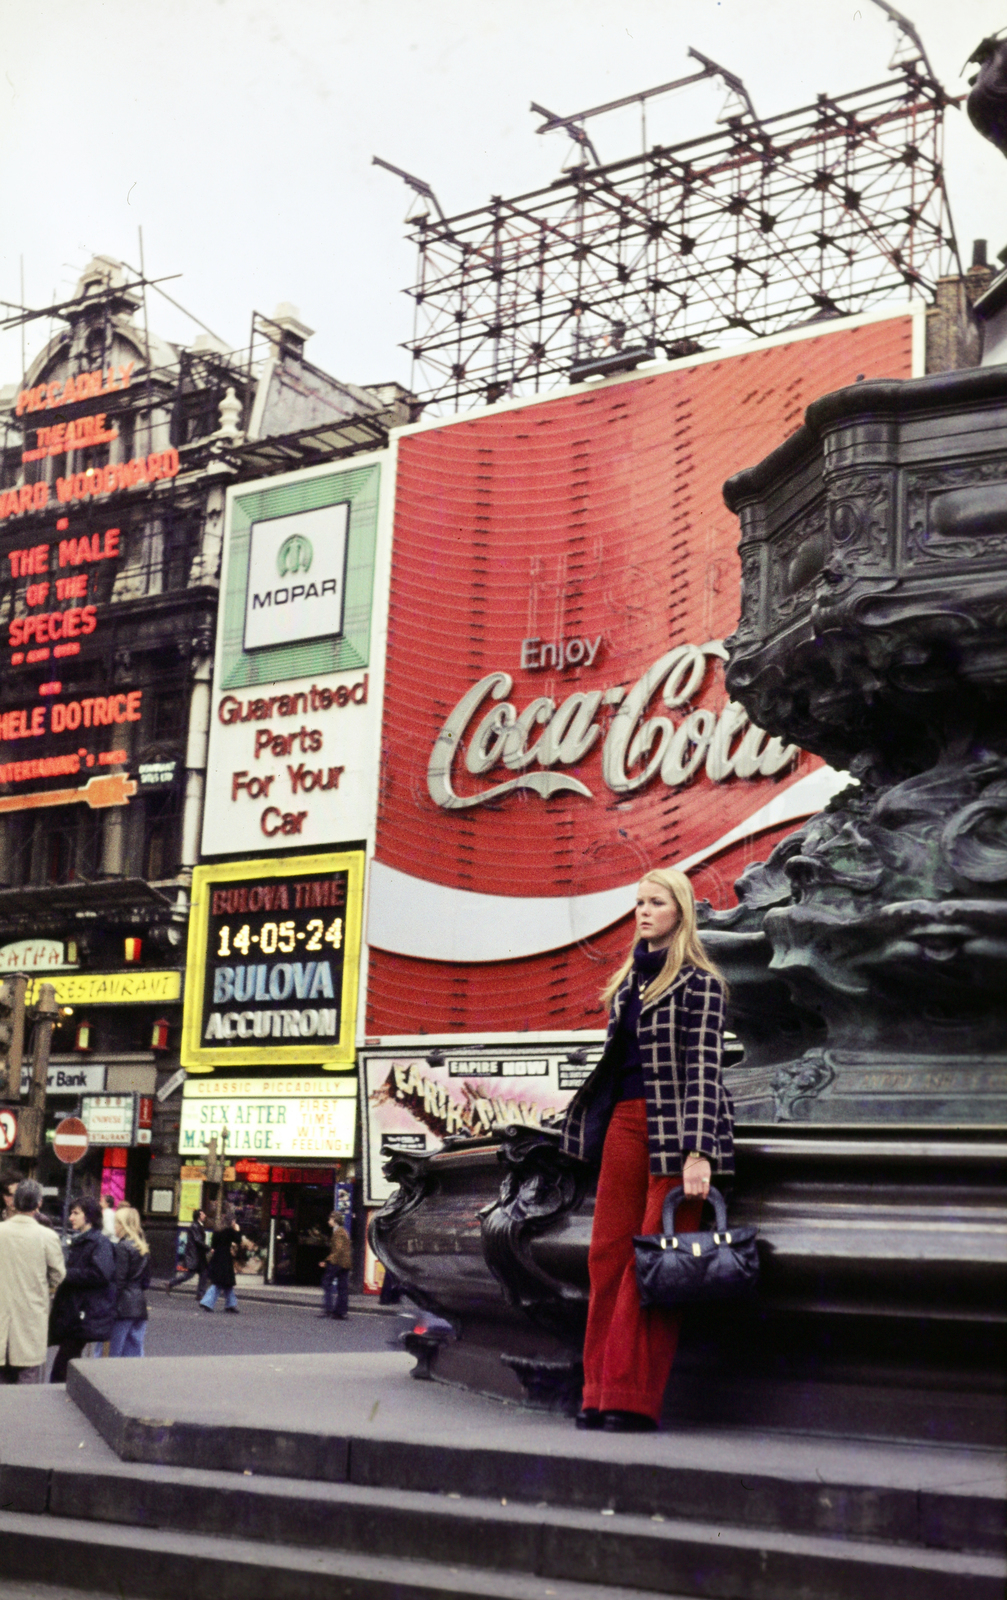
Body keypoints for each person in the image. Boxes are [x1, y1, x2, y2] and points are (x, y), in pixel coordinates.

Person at [558, 867, 733, 1434]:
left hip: (676, 1133)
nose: (643, 911)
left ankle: (631, 1398)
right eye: (639, 902)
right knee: (606, 1255)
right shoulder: (628, 985)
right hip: (624, 1126)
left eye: (656, 902)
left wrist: (699, 1151)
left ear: (680, 911)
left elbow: (705, 1072)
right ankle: (596, 1392)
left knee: (654, 1262)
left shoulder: (701, 985)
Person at [0, 1179, 66, 1383]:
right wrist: (45, 1285)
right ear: (39, 1203)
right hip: (31, 1313)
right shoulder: (47, 1236)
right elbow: (58, 1274)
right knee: (27, 1378)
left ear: (14, 1202)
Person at [48, 1196, 116, 1383]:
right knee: (68, 1358)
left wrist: (65, 1274)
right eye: (71, 1213)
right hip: (75, 1310)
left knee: (64, 1361)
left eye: (76, 1213)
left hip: (84, 1312)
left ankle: (60, 1391)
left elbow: (100, 1274)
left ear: (89, 1216)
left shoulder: (99, 1243)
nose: (71, 1217)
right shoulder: (80, 1240)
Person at [110, 1207, 151, 1357]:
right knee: (134, 1354)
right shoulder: (142, 1247)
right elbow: (146, 1281)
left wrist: (110, 1303)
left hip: (123, 1307)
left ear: (123, 1225)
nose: (114, 1227)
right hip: (139, 1305)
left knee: (114, 1352)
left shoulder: (122, 1247)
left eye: (116, 1223)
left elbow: (119, 1280)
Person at [199, 1209, 242, 1313]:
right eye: (234, 1221)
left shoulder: (217, 1230)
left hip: (217, 1257)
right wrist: (237, 1230)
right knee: (219, 1282)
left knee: (227, 1283)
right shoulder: (229, 1231)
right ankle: (207, 1302)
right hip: (225, 1258)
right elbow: (238, 1240)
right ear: (232, 1221)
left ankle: (230, 1305)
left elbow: (213, 1245)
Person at [166, 1209, 210, 1297]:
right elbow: (198, 1240)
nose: (205, 1215)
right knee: (189, 1275)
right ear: (198, 1216)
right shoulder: (195, 1226)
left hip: (199, 1255)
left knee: (204, 1273)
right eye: (203, 1214)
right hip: (195, 1255)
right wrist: (208, 1248)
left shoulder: (198, 1225)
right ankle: (171, 1283)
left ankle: (200, 1294)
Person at [320, 1212, 352, 1319]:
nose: (328, 1221)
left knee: (326, 1283)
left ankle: (328, 1309)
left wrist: (327, 1260)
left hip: (337, 1263)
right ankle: (341, 1312)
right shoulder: (344, 1231)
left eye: (330, 1219)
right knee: (343, 1288)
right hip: (345, 1264)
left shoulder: (338, 1232)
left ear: (335, 1220)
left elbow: (338, 1249)